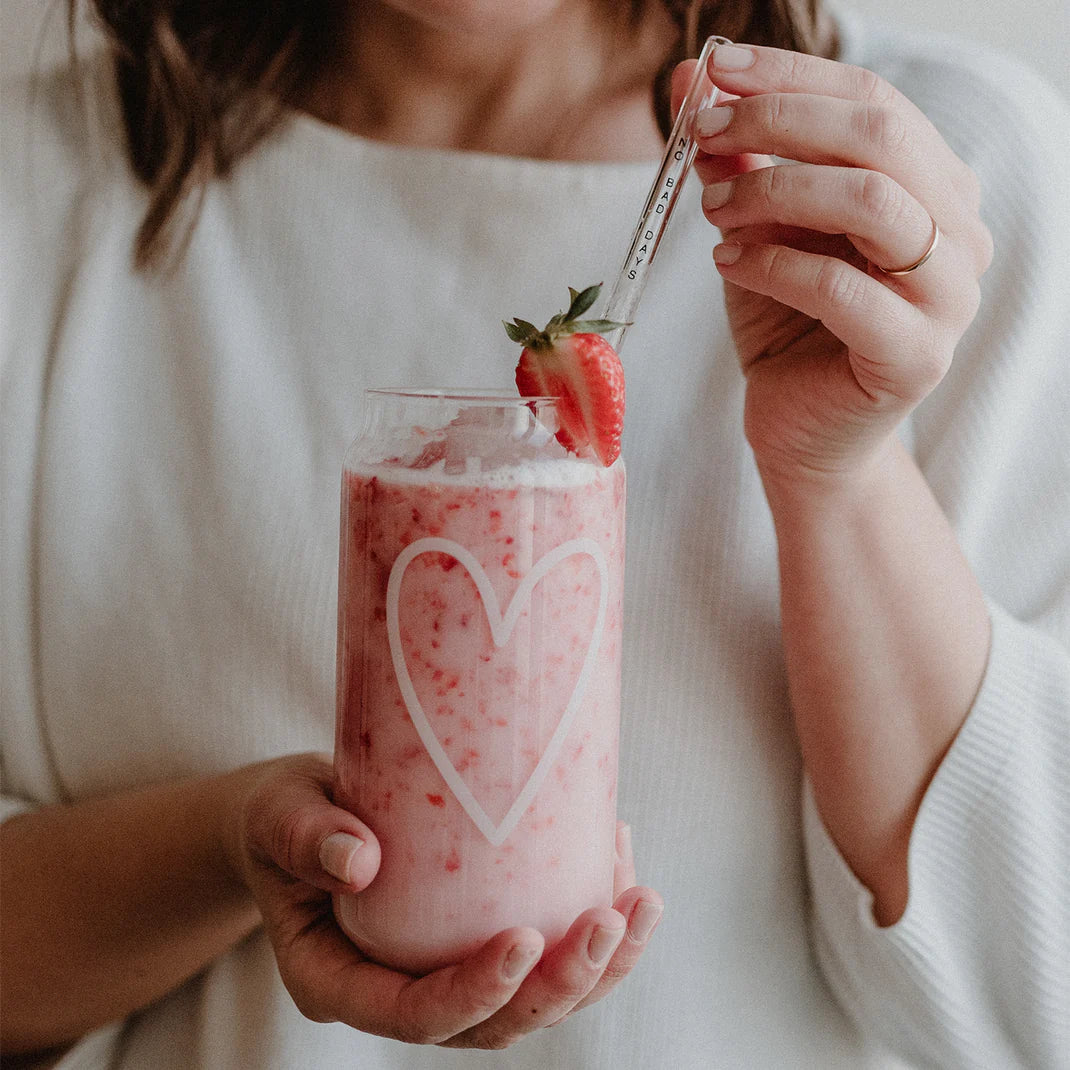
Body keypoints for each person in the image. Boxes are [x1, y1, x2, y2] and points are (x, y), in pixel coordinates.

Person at [2, 0, 1068, 1066]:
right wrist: (228, 844)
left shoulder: (938, 190)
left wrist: (840, 471)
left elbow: (1031, 1001)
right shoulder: (39, 187)